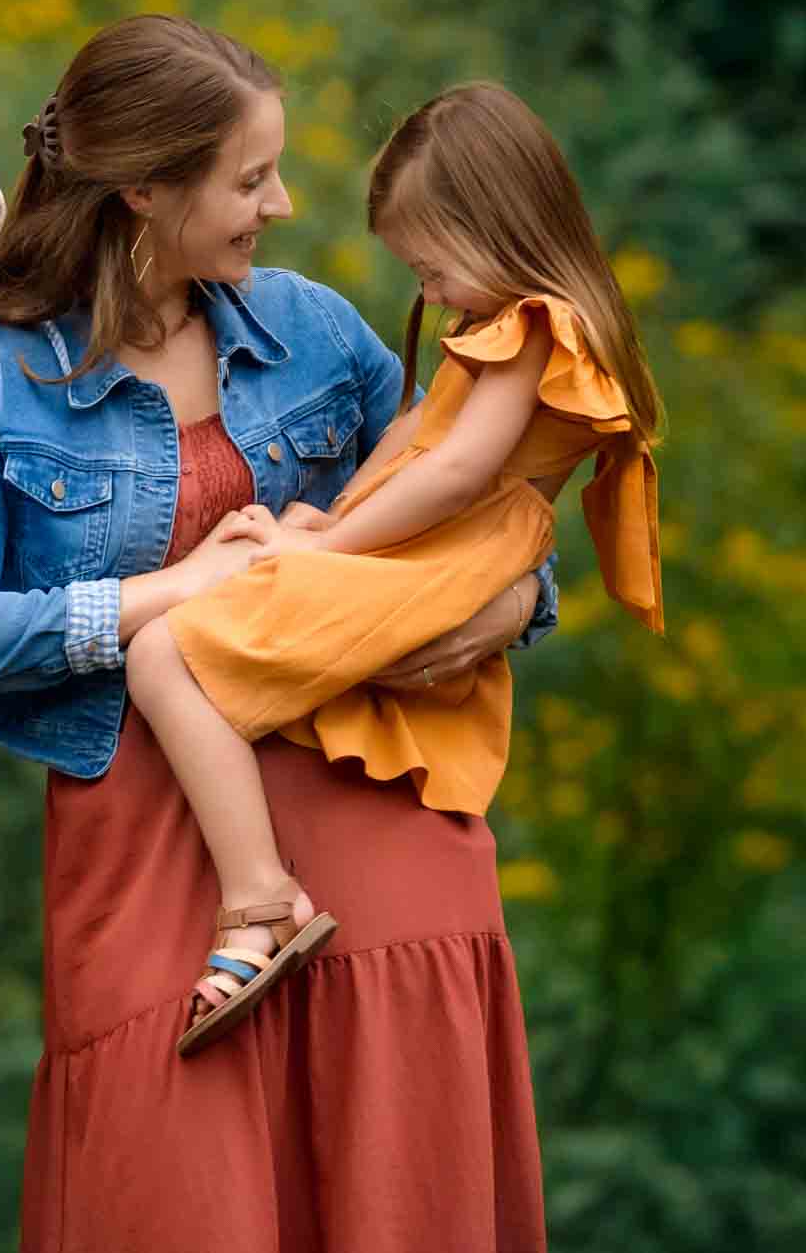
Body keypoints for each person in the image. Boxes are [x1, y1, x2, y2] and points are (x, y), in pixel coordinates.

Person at [0, 16, 567, 1253]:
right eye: (249, 179)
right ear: (144, 187)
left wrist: (509, 606)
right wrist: (177, 590)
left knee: (397, 1187)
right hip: (143, 843)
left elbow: (487, 499)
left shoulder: (309, 329)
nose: (280, 203)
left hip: (379, 796)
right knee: (174, 1189)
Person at [127, 80, 663, 1055]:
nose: (429, 294)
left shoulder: (529, 326)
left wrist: (324, 547)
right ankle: (260, 890)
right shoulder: (500, 330)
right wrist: (322, 520)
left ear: (497, 227)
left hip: (453, 557)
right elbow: (418, 436)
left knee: (165, 654)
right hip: (435, 552)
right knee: (192, 641)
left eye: (432, 268)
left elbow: (457, 472)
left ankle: (258, 902)